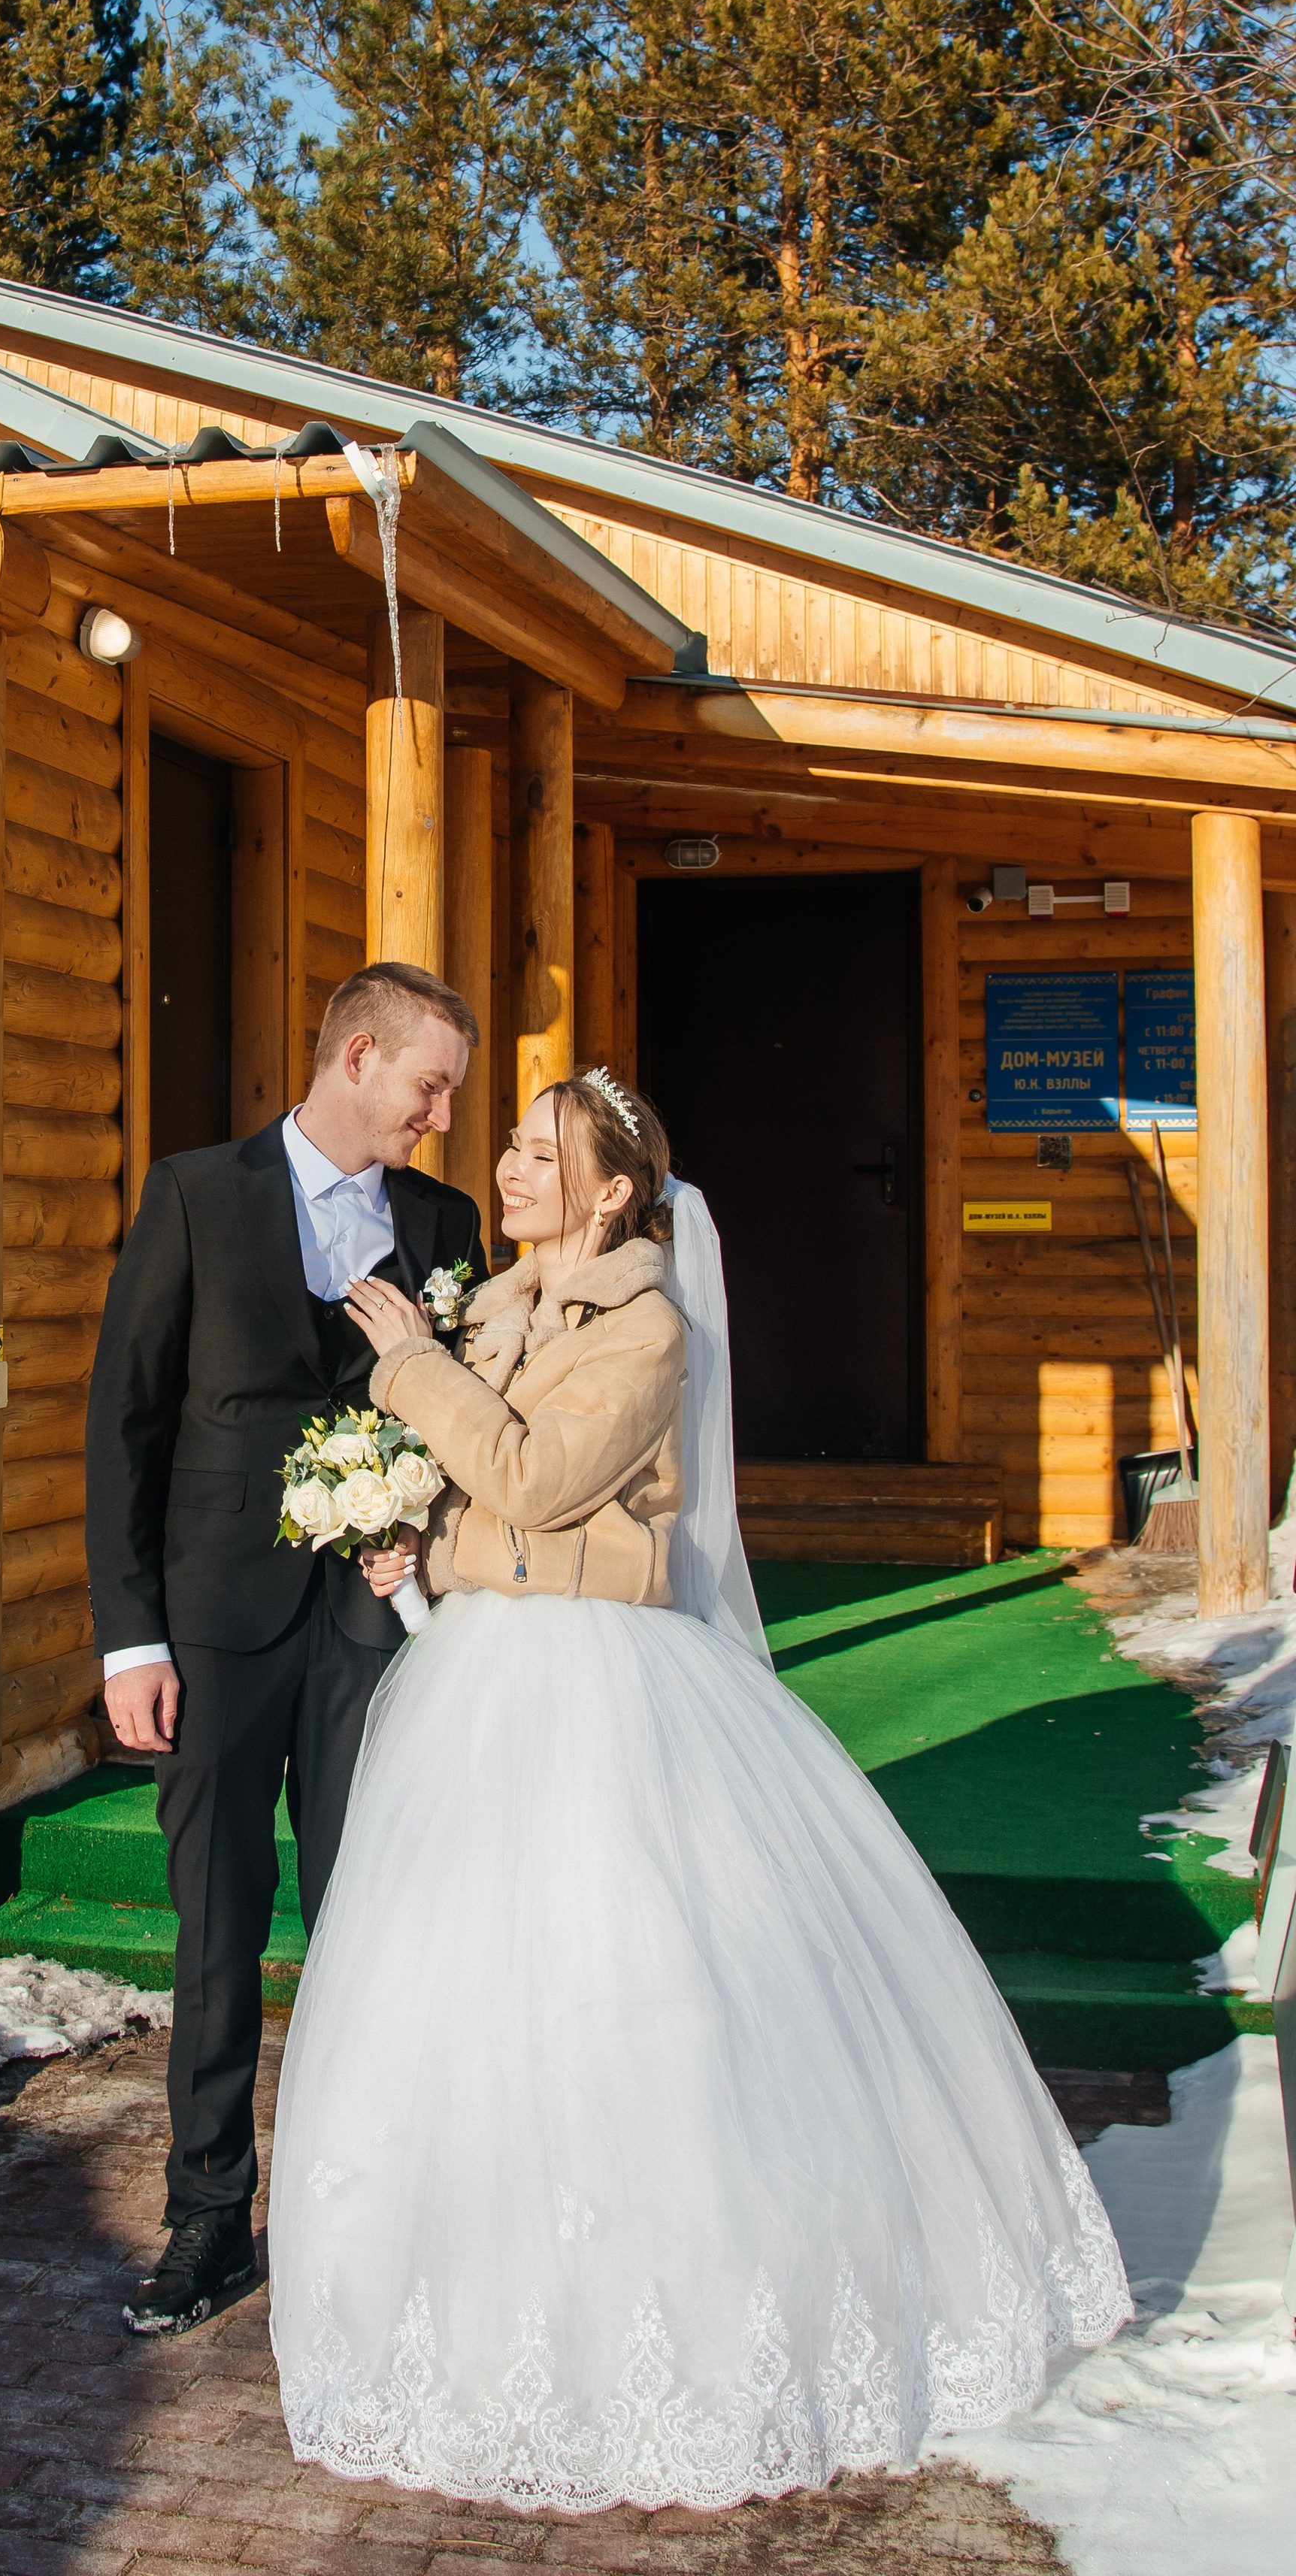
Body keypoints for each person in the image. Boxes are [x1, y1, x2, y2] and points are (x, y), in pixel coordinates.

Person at [267, 1070, 1130, 2515]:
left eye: (547, 1153)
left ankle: (687, 2328)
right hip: (484, 1670)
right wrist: (413, 1541)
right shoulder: (497, 1307)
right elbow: (490, 1502)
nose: (514, 1164)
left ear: (612, 1192)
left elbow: (539, 1482)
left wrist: (412, 1372)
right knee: (470, 1995)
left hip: (600, 1689)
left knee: (629, 1989)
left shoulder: (647, 1327)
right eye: (517, 1144)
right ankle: (473, 2303)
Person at [87, 961, 487, 2338]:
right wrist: (129, 1636)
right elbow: (124, 1427)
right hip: (212, 1626)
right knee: (218, 1926)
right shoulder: (197, 1195)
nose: (441, 1116)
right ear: (359, 1056)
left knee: (371, 1915)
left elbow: (469, 1421)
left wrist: (422, 1551)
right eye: (431, 1085)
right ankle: (207, 2222)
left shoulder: (445, 1224)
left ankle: (363, 2209)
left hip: (370, 1629)